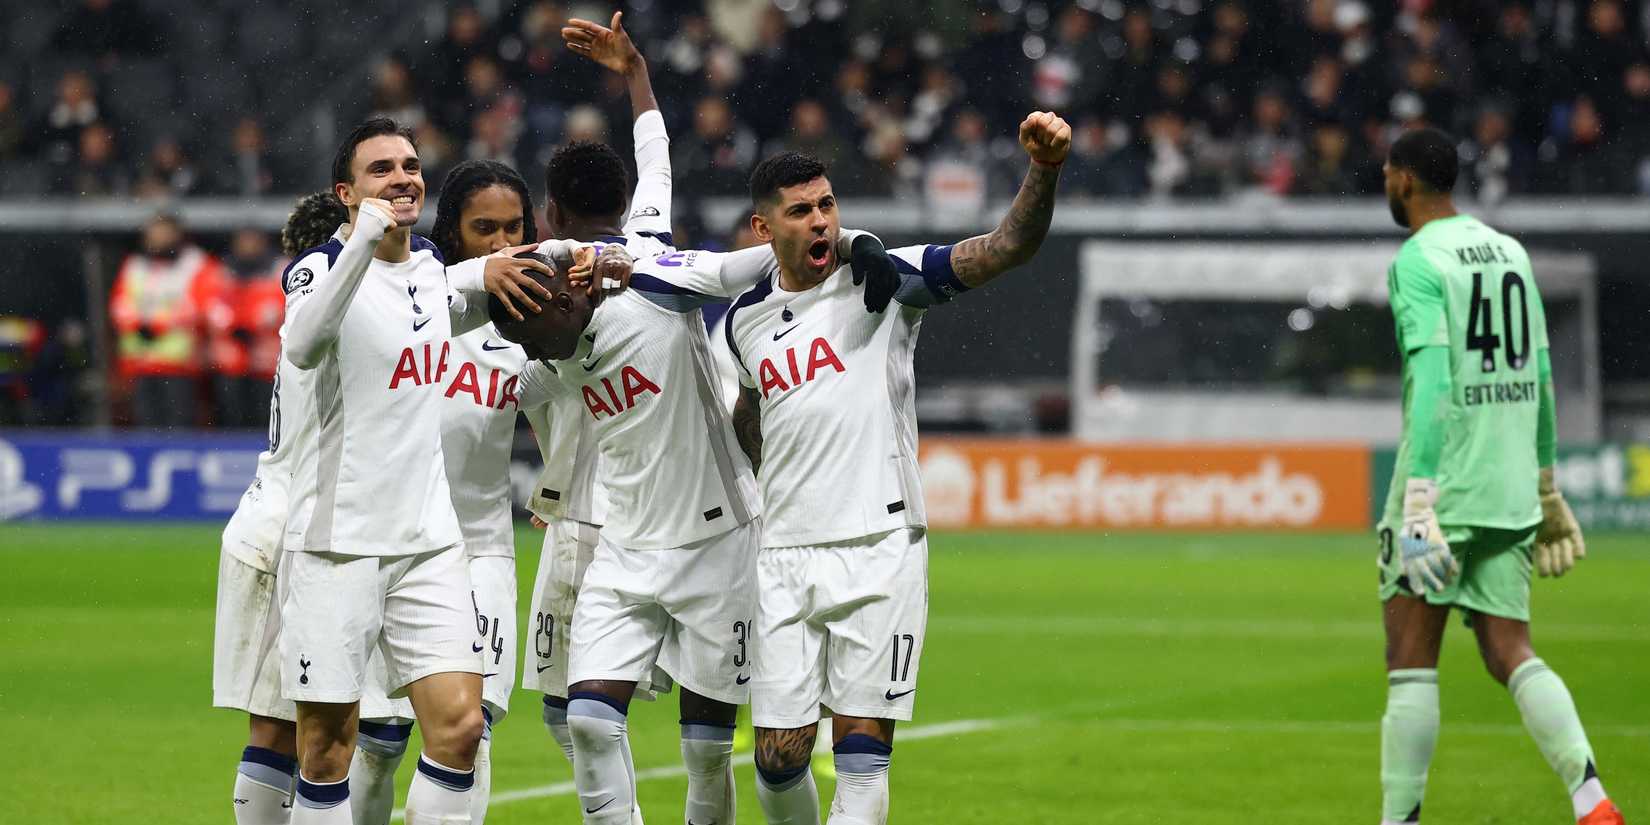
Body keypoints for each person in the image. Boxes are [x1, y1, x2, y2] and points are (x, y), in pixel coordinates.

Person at [722, 111, 1070, 825]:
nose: (820, 221)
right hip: (784, 551)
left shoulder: (882, 278)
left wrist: (1044, 169)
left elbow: (1006, 248)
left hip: (880, 547)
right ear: (765, 231)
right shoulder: (743, 321)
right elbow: (753, 421)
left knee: (860, 751)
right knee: (778, 758)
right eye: (800, 211)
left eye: (827, 205)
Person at [493, 227, 890, 825]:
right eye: (539, 332)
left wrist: (853, 239)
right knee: (588, 721)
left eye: (558, 308)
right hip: (625, 549)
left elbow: (759, 258)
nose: (557, 328)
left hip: (718, 545)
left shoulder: (652, 288)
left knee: (706, 753)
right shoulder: (552, 361)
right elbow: (490, 391)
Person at [275, 116, 561, 825]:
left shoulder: (431, 271)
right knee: (327, 748)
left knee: (462, 729)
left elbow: (466, 288)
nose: (401, 176)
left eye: (408, 165)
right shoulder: (319, 269)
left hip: (430, 544)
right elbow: (305, 344)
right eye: (380, 169)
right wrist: (363, 239)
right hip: (338, 542)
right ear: (347, 191)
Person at [1374, 127, 1622, 825]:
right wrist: (1546, 484)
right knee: (1511, 650)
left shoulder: (1417, 259)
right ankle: (1591, 798)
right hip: (1509, 485)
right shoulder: (1510, 251)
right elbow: (1540, 374)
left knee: (1411, 659)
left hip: (1445, 485)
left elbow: (1432, 382)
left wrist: (1419, 497)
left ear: (1404, 180)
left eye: (1387, 174)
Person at [212, 191, 346, 825]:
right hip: (289, 533)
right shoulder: (333, 323)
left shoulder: (304, 320)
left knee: (298, 731)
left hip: (271, 520)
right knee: (286, 731)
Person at [109, 212, 224, 427]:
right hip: (141, 362)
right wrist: (138, 325)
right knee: (145, 423)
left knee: (180, 424)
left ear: (177, 234)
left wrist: (157, 326)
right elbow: (120, 305)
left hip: (180, 363)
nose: (156, 238)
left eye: (163, 233)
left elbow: (201, 307)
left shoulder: (196, 264)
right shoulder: (135, 265)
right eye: (153, 233)